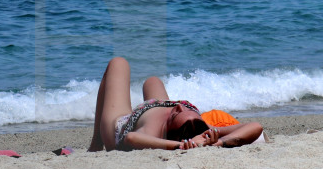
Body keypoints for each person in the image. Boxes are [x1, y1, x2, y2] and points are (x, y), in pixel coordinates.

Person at [88, 56, 265, 152]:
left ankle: (96, 143)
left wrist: (181, 147)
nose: (179, 106)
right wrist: (218, 143)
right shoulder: (203, 131)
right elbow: (255, 127)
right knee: (153, 81)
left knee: (118, 63)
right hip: (154, 107)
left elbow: (131, 138)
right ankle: (169, 112)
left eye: (176, 114)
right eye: (188, 109)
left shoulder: (152, 132)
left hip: (123, 126)